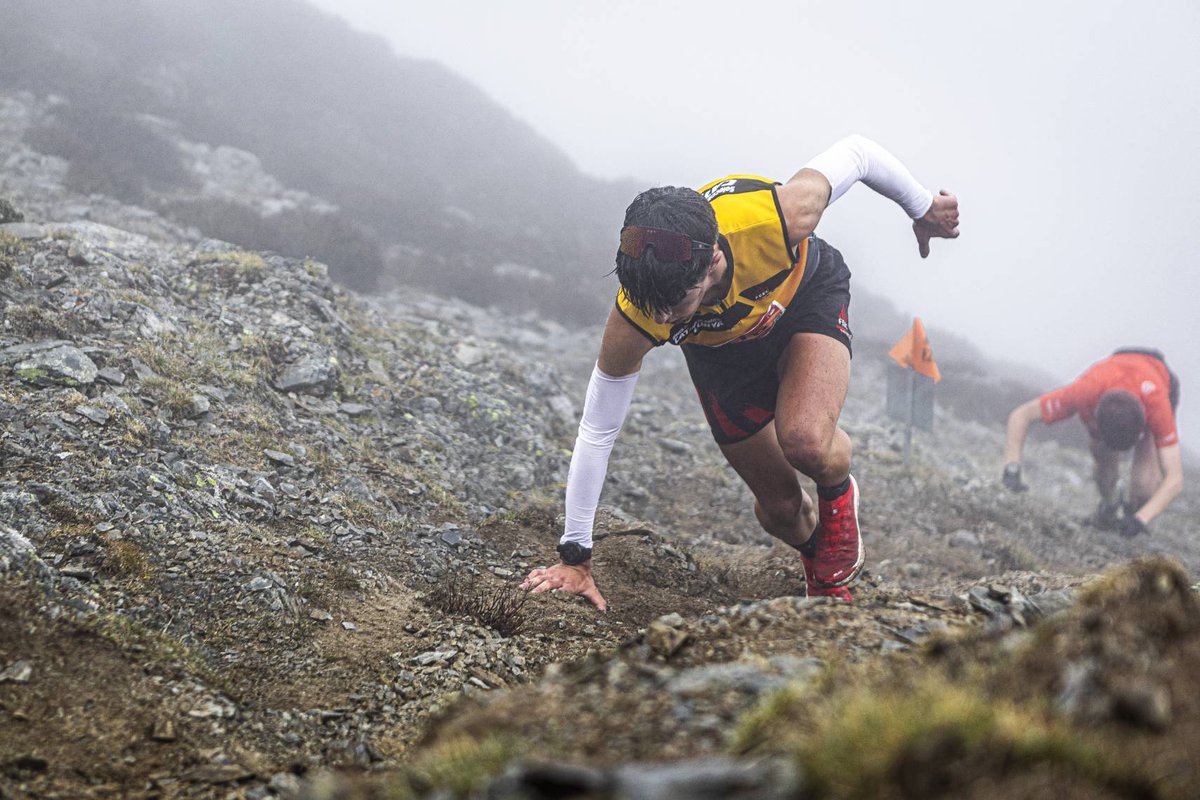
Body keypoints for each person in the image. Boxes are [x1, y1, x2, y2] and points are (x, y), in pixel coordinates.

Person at [521, 135, 960, 610]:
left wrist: (923, 207)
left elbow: (858, 152)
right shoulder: (639, 310)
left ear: (711, 262)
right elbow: (598, 427)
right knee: (781, 511)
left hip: (804, 300)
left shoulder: (777, 217)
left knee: (807, 441)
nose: (662, 320)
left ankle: (838, 495)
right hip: (722, 356)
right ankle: (819, 569)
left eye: (674, 306)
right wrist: (574, 555)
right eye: (651, 308)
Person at [1002, 348, 1183, 537]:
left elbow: (1175, 479)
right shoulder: (1085, 391)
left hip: (1158, 379)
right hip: (1111, 381)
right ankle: (1109, 505)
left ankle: (1132, 511)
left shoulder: (1157, 407)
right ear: (1096, 420)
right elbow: (1021, 415)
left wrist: (1141, 518)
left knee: (1144, 485)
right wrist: (1011, 469)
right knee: (1103, 456)